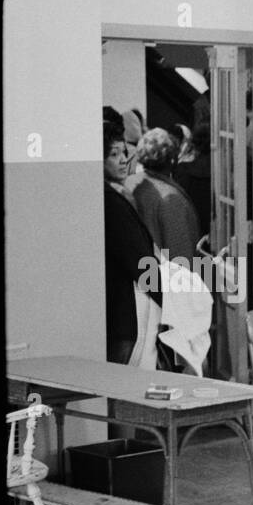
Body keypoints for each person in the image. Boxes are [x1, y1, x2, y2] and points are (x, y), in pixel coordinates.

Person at [102, 120, 162, 365]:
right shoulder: (111, 202)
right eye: (113, 154)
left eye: (123, 152)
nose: (123, 159)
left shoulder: (114, 195)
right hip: (123, 311)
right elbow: (138, 259)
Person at [131, 128, 201, 269]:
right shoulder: (170, 197)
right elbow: (181, 253)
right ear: (173, 159)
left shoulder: (131, 183)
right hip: (167, 277)